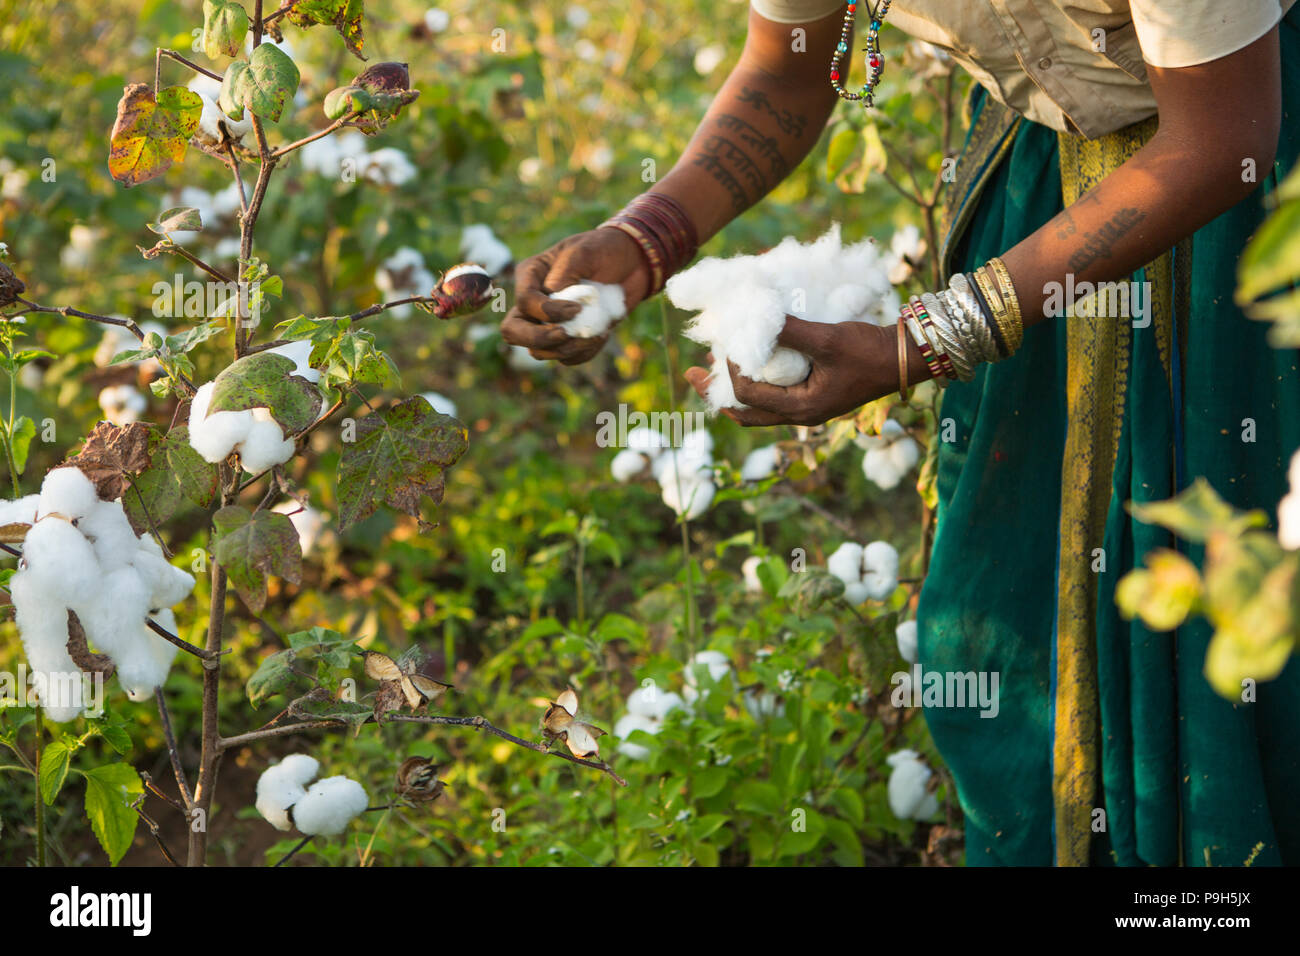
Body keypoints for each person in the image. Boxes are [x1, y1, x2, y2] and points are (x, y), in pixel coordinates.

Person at [501, 1, 1300, 867]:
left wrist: (921, 343)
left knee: (1231, 616)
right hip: (1043, 196)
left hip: (1246, 215)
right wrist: (645, 238)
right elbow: (789, 64)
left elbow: (1226, 138)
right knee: (1001, 615)